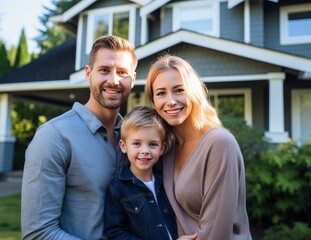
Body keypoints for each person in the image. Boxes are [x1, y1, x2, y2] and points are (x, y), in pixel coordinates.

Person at [21, 35, 137, 240]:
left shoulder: (134, 138)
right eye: (104, 70)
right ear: (88, 73)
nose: (114, 80)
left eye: (122, 72)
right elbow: (38, 233)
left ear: (133, 79)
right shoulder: (54, 136)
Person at [144, 55, 252, 240]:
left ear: (193, 92)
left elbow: (216, 233)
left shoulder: (219, 143)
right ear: (153, 100)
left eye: (179, 90)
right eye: (161, 93)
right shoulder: (166, 148)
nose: (170, 101)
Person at [103, 106, 197, 240]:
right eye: (137, 144)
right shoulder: (117, 189)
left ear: (162, 148)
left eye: (152, 144)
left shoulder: (168, 181)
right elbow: (115, 233)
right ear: (123, 146)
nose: (145, 151)